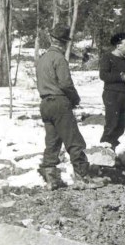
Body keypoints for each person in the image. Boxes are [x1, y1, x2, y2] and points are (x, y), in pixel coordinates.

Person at [35, 24, 107, 190]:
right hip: (59, 103)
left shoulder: (42, 59)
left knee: (52, 142)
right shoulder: (59, 59)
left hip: (45, 104)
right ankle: (83, 178)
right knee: (74, 141)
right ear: (64, 43)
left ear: (52, 39)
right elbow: (66, 84)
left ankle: (51, 179)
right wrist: (75, 99)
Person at [99, 32, 125, 150]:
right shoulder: (107, 57)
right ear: (118, 45)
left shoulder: (124, 60)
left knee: (121, 125)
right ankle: (104, 149)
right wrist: (121, 77)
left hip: (123, 94)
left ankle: (111, 148)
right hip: (111, 94)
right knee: (112, 123)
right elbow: (103, 75)